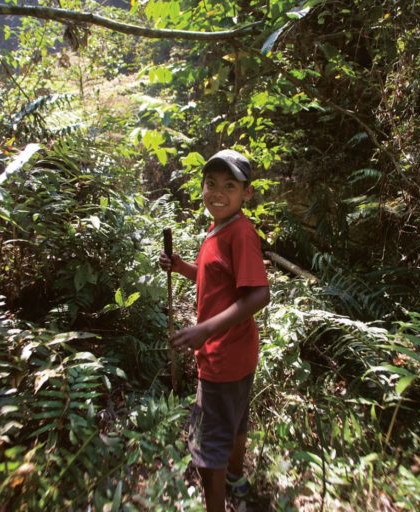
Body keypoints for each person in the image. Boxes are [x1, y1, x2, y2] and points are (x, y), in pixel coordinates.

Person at [159, 149, 270, 512]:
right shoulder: (219, 229)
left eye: (229, 185)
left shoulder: (240, 233)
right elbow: (215, 278)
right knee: (235, 422)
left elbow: (259, 294)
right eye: (211, 184)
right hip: (238, 352)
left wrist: (205, 329)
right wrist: (181, 267)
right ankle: (237, 479)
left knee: (207, 450)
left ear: (246, 193)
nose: (218, 192)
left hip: (222, 358)